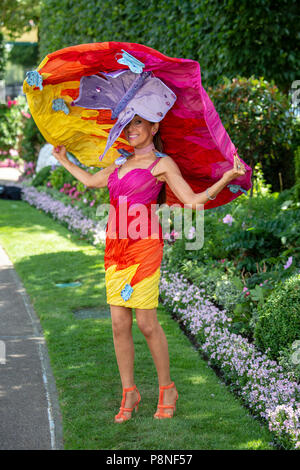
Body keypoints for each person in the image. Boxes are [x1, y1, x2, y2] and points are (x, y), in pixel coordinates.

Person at [52, 114, 246, 423]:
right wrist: (63, 159)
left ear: (154, 128)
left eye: (138, 124)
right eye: (128, 125)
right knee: (118, 323)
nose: (131, 130)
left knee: (146, 323)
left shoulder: (162, 164)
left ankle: (167, 388)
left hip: (144, 248)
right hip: (115, 250)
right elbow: (90, 181)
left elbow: (193, 202)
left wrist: (226, 178)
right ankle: (129, 392)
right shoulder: (119, 162)